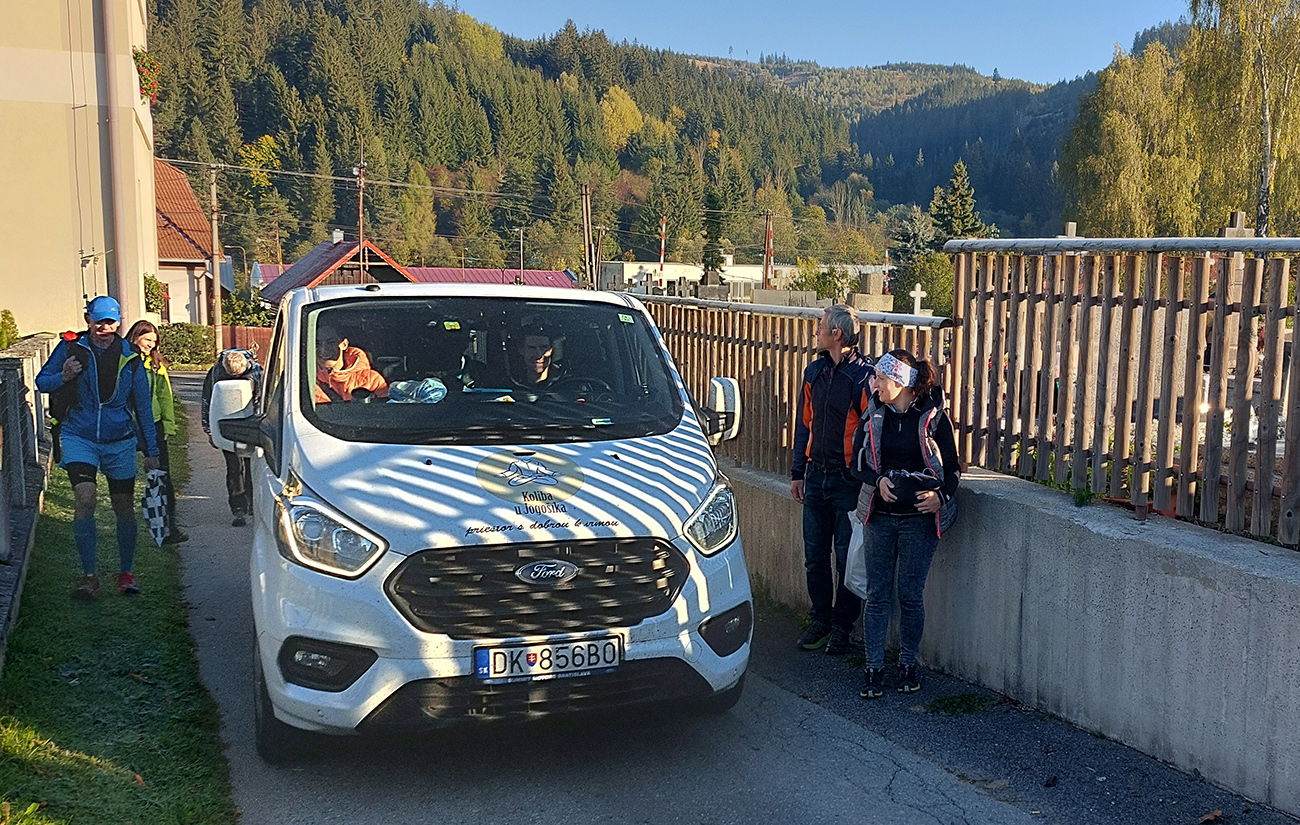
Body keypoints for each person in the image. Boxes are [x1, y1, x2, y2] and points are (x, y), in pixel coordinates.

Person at [850, 349, 960, 699]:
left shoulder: (934, 418)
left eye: (881, 379)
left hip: (919, 522)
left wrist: (941, 497)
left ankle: (908, 665)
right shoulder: (873, 414)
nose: (875, 384)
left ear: (901, 383)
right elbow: (855, 465)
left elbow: (953, 469)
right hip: (879, 519)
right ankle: (873, 668)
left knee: (911, 596)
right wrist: (878, 479)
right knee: (877, 595)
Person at [36, 296, 160, 599]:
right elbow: (42, 382)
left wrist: (152, 451)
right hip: (79, 435)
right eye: (99, 321)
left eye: (110, 322)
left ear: (118, 323)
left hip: (120, 441)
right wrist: (64, 375)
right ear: (88, 320)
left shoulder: (130, 355)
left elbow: (143, 405)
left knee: (123, 506)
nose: (105, 328)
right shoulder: (71, 348)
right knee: (86, 497)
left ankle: (126, 573)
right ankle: (89, 576)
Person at [790, 305, 874, 655]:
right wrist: (797, 472)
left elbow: (872, 431)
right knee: (814, 556)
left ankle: (842, 627)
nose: (817, 331)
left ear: (836, 334)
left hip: (848, 481)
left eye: (821, 326)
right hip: (816, 476)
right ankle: (820, 621)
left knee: (846, 558)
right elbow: (803, 425)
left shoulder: (863, 377)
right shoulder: (814, 372)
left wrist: (867, 478)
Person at [125, 320, 187, 545]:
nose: (151, 344)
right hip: (128, 424)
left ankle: (168, 527)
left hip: (154, 424)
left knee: (163, 477)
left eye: (154, 341)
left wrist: (168, 426)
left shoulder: (156, 364)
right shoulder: (125, 359)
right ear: (135, 337)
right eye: (147, 339)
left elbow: (165, 396)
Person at [202, 349, 262, 526]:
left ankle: (253, 504)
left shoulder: (257, 373)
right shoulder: (215, 373)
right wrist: (210, 431)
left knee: (253, 467)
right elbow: (207, 401)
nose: (235, 378)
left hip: (251, 426)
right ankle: (238, 508)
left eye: (238, 375)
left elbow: (265, 401)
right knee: (234, 468)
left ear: (245, 366)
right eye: (231, 375)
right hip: (225, 426)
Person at [313, 325, 388, 402]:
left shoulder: (371, 379)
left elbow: (385, 407)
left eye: (330, 343)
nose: (323, 349)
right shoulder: (307, 379)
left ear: (344, 344)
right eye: (317, 344)